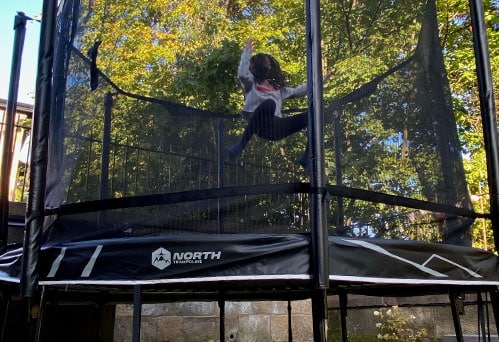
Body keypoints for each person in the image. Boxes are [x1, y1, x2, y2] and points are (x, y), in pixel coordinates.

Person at [228, 39, 333, 168]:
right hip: (258, 124)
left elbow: (299, 90)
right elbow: (242, 72)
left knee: (313, 116)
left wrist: (323, 80)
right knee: (270, 104)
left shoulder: (277, 89)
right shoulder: (251, 84)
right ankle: (241, 143)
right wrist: (247, 51)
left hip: (276, 128)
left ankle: (307, 157)